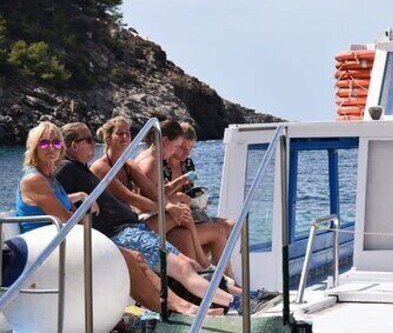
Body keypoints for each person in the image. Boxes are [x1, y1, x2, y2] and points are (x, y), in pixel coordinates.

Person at [16, 121, 221, 315]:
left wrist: (79, 196)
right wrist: (87, 208)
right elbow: (68, 219)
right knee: (129, 257)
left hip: (59, 239)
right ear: (34, 147)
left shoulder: (49, 177)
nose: (51, 147)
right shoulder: (35, 179)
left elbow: (57, 203)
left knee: (137, 257)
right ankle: (178, 307)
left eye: (55, 142)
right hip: (44, 247)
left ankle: (180, 306)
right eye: (44, 143)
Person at [133, 120, 232, 277]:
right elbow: (146, 202)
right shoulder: (152, 163)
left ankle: (208, 271)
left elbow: (155, 192)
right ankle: (211, 272)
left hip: (157, 214)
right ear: (165, 141)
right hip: (150, 219)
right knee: (213, 228)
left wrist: (180, 193)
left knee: (225, 225)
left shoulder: (151, 158)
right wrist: (173, 202)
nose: (177, 151)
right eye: (177, 147)